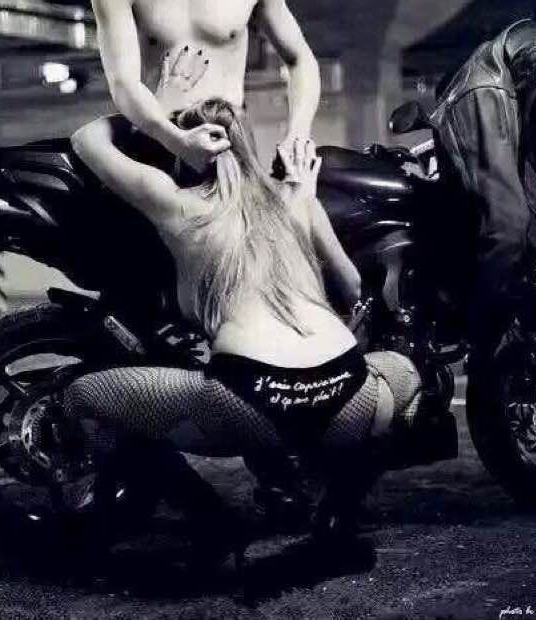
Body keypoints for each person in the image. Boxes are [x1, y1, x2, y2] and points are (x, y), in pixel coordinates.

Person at [65, 98, 426, 558]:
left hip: (250, 402)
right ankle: (339, 505)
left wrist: (161, 126)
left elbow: (86, 139)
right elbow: (354, 287)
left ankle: (209, 517)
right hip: (347, 393)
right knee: (405, 373)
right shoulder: (295, 197)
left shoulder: (176, 203)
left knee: (83, 397)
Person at [430, 19, 536, 425]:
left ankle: (487, 343)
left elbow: (505, 225)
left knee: (507, 226)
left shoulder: (464, 93)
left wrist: (481, 332)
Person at [91, 0, 321, 176]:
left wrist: (298, 134)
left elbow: (301, 59)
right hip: (158, 137)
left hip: (231, 142)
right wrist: (176, 140)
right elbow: (123, 83)